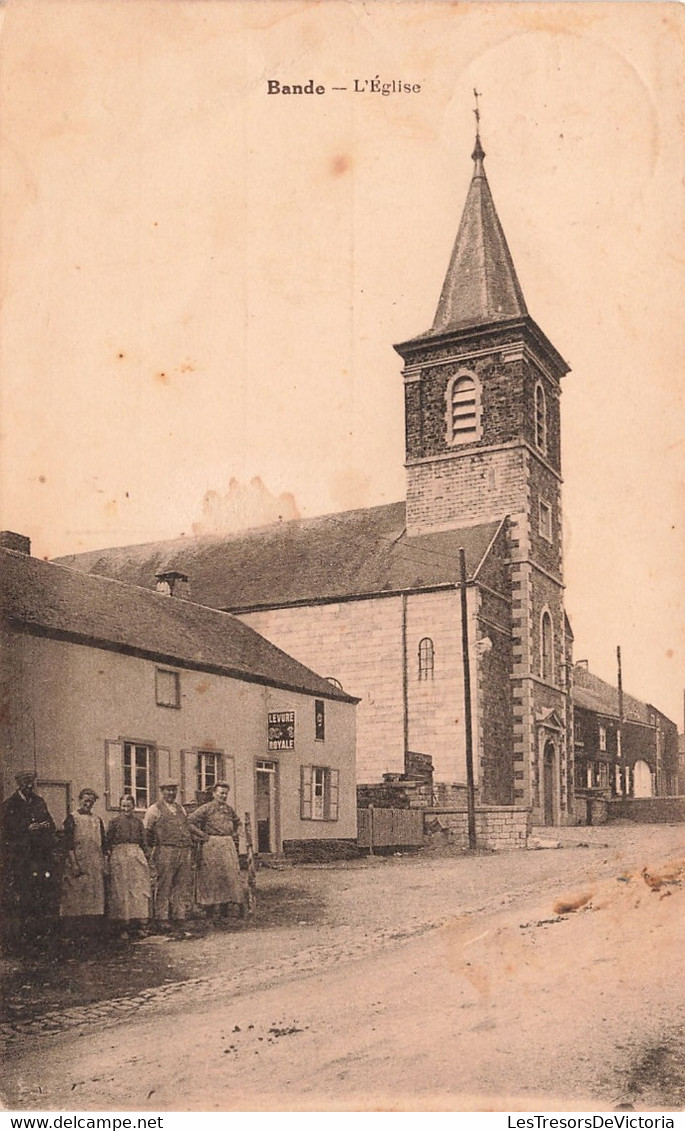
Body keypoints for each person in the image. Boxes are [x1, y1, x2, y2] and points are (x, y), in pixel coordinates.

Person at [1, 771, 56, 950]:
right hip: (21, 859)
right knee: (23, 894)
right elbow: (6, 832)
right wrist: (26, 829)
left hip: (40, 857)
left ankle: (37, 934)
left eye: (31, 782)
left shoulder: (39, 802)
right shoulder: (10, 805)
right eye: (25, 783)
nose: (29, 786)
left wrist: (44, 827)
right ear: (18, 783)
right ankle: (21, 935)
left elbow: (51, 824)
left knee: (40, 893)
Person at [144, 782, 203, 928]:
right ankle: (162, 917)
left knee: (181, 883)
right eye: (168, 790)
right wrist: (151, 850)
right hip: (165, 850)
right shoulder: (154, 809)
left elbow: (186, 826)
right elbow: (147, 830)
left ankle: (179, 915)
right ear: (162, 791)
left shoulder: (180, 808)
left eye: (173, 790)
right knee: (164, 883)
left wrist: (200, 836)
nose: (171, 793)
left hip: (183, 850)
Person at [189, 782, 243, 921]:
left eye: (225, 793)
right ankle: (210, 912)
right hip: (212, 844)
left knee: (227, 876)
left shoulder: (229, 809)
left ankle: (224, 910)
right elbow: (189, 822)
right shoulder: (206, 808)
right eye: (221, 793)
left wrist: (236, 833)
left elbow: (238, 822)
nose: (223, 796)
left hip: (227, 844)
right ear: (214, 794)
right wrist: (202, 835)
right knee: (211, 877)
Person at [60, 788, 106, 933]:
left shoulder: (97, 820)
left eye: (91, 801)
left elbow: (103, 845)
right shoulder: (72, 818)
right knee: (75, 897)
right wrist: (74, 864)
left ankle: (90, 932)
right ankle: (73, 933)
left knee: (93, 897)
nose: (88, 804)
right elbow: (68, 844)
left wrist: (103, 864)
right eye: (86, 801)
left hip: (94, 863)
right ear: (80, 800)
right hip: (77, 861)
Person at [106, 794, 151, 937]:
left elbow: (144, 842)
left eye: (129, 806)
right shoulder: (114, 822)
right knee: (122, 890)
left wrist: (148, 857)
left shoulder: (138, 823)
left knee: (138, 888)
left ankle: (139, 925)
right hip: (120, 855)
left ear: (133, 807)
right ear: (120, 807)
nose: (126, 809)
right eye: (123, 806)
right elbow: (107, 842)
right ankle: (122, 926)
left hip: (136, 854)